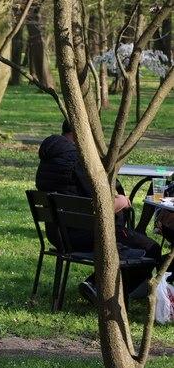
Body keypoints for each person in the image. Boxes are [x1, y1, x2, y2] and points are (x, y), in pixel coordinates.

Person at [36, 119, 160, 296]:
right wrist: (122, 202)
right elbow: (103, 203)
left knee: (136, 242)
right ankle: (97, 286)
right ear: (80, 134)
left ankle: (108, 287)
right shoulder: (80, 161)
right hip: (88, 234)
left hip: (58, 234)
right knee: (151, 248)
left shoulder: (48, 160)